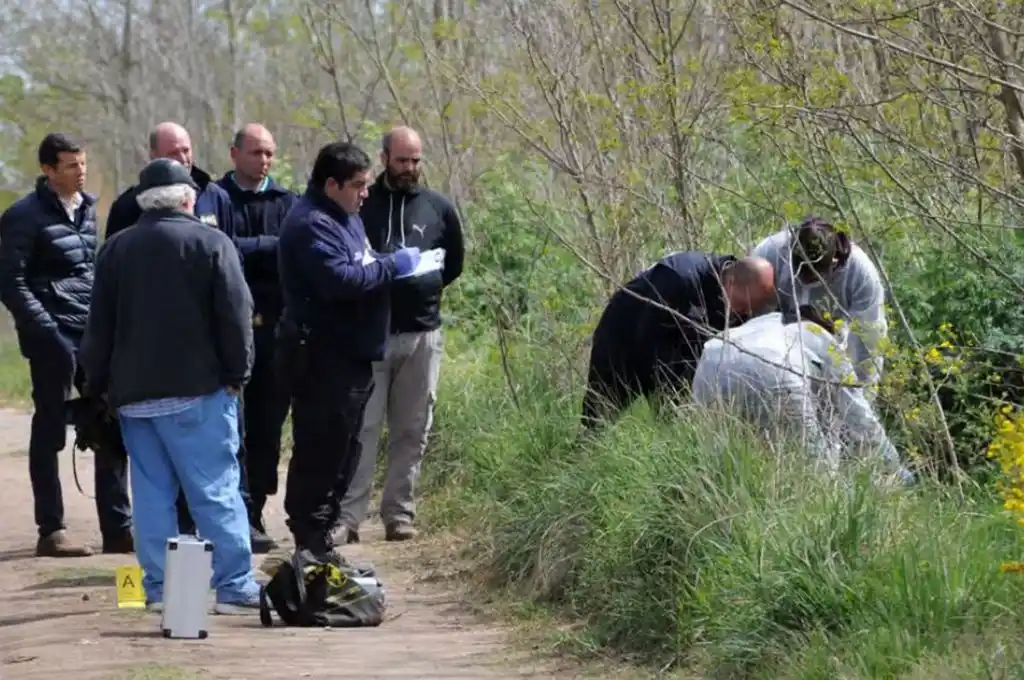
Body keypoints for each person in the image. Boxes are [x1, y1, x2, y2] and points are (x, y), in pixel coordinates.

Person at [80, 158, 261, 614]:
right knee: (214, 489)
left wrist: (96, 387)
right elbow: (236, 318)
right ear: (188, 199)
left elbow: (97, 329)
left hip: (135, 401)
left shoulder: (116, 250)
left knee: (152, 495)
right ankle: (235, 586)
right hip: (199, 393)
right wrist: (238, 375)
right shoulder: (211, 242)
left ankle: (160, 591)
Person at [277, 141, 421, 556]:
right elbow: (341, 279)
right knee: (321, 451)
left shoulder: (346, 218)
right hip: (322, 360)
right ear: (331, 184)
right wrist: (394, 266)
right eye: (358, 185)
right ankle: (310, 542)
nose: (365, 194)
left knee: (344, 451)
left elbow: (363, 262)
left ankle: (321, 542)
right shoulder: (311, 224)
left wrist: (385, 261)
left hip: (351, 357)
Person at [0, 133, 132, 558]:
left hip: (89, 331)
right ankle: (51, 529)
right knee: (51, 429)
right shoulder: (22, 216)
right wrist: (45, 332)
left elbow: (86, 272)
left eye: (83, 163)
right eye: (72, 165)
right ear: (48, 170)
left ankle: (118, 528)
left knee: (108, 424)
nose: (81, 171)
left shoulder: (88, 209)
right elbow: (11, 282)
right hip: (49, 336)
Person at [337, 126, 465, 544]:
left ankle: (399, 514)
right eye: (401, 160)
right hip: (370, 335)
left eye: (415, 160)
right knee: (363, 428)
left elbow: (453, 265)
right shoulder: (362, 205)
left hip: (422, 335)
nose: (409, 168)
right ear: (385, 158)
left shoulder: (438, 209)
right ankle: (348, 517)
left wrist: (420, 291)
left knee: (412, 430)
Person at [691, 305, 914, 484]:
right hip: (775, 367)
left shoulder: (762, 323)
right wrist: (895, 468)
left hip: (710, 364)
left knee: (726, 463)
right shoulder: (820, 335)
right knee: (817, 476)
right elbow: (857, 412)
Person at [216, 123, 298, 554]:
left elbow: (296, 250)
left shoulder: (288, 202)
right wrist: (268, 244)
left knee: (268, 426)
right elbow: (219, 249)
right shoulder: (215, 198)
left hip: (276, 333)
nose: (263, 160)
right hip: (229, 333)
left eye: (269, 153)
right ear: (234, 154)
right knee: (232, 428)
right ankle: (236, 510)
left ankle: (257, 505)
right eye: (255, 153)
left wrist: (250, 247)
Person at [581, 252, 776, 428]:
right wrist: (670, 394)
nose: (747, 313)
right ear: (731, 282)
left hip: (679, 347)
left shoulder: (743, 296)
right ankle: (580, 458)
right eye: (744, 305)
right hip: (626, 335)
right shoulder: (678, 277)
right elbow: (649, 342)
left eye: (753, 307)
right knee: (598, 419)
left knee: (679, 426)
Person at [752, 217, 888, 397]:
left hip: (832, 348)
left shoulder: (861, 274)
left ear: (834, 261)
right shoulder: (770, 252)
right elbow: (750, 315)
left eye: (813, 275)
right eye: (800, 271)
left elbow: (868, 343)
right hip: (775, 345)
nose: (805, 280)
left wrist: (863, 396)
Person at [105, 122, 235, 238]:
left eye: (186, 150)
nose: (183, 159)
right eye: (173, 153)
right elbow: (114, 258)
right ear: (154, 155)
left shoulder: (215, 197)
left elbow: (231, 252)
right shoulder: (130, 204)